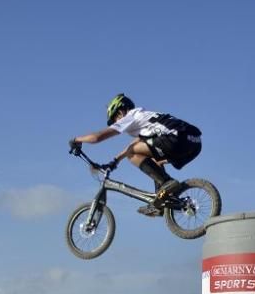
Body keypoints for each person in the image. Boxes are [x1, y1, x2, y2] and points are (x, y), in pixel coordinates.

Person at [70, 93, 202, 216]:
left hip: (177, 138)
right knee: (154, 159)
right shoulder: (143, 118)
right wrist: (115, 160)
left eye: (115, 118)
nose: (116, 122)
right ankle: (162, 199)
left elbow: (97, 137)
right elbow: (136, 143)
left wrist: (76, 140)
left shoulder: (130, 117)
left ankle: (167, 183)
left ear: (121, 111)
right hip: (194, 142)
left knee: (133, 153)